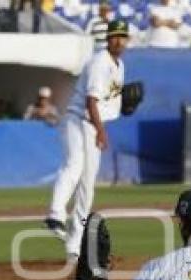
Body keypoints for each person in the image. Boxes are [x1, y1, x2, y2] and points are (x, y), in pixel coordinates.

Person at [44, 20, 129, 260]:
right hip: (78, 120)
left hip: (94, 124)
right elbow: (91, 102)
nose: (119, 40)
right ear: (108, 38)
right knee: (74, 165)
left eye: (123, 36)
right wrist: (102, 131)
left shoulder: (120, 65)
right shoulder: (100, 62)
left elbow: (107, 101)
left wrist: (125, 108)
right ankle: (55, 214)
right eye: (115, 36)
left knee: (87, 186)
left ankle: (74, 242)